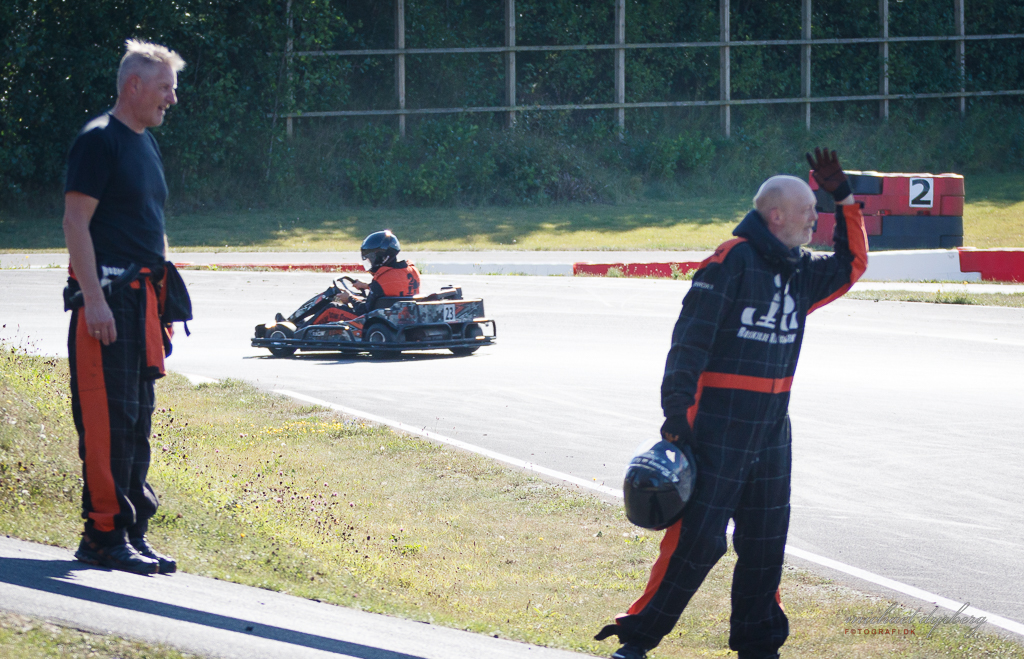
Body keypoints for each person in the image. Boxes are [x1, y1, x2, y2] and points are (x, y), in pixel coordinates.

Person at [595, 149, 869, 659]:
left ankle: (758, 647)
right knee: (697, 541)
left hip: (772, 430)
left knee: (765, 545)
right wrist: (676, 415)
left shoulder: (801, 271)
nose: (816, 218)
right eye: (808, 210)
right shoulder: (730, 261)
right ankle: (637, 639)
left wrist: (843, 197)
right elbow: (689, 341)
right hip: (715, 426)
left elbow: (852, 264)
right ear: (776, 216)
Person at [63, 39, 186, 575]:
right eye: (165, 88)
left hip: (142, 306)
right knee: (106, 422)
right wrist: (94, 301)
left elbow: (147, 225)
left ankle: (131, 531)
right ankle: (102, 535)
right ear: (133, 86)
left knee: (136, 421)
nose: (172, 99)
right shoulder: (99, 140)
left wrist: (161, 309)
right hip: (106, 305)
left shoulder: (145, 143)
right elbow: (75, 223)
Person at [313, 230, 421, 323]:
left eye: (372, 257)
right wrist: (367, 286)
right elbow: (394, 288)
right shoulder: (411, 271)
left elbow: (364, 310)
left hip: (373, 321)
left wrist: (349, 298)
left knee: (331, 308)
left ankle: (303, 331)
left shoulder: (382, 279)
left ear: (382, 257)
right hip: (405, 318)